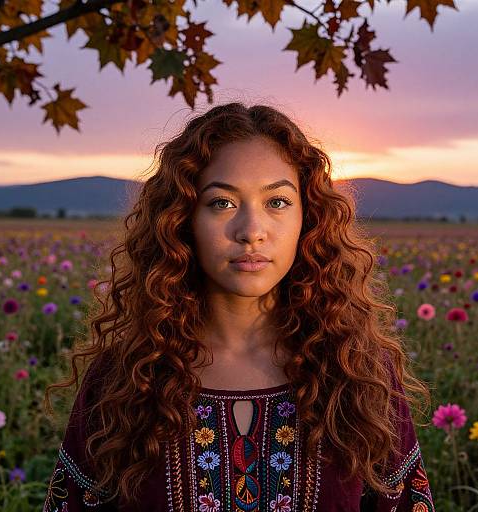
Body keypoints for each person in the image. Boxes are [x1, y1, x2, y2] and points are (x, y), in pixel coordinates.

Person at [42, 102, 435, 512]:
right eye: (222, 203)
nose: (251, 231)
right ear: (182, 220)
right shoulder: (122, 379)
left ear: (309, 217)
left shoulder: (361, 375)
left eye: (278, 202)